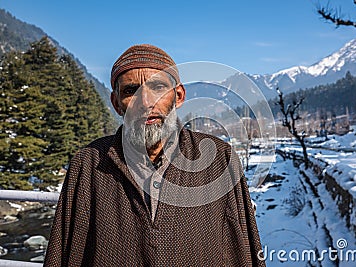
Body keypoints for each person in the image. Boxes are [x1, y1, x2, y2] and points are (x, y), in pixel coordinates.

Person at [44, 44, 265, 266]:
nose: (146, 102)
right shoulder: (89, 163)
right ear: (116, 103)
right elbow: (63, 253)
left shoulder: (219, 159)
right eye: (131, 91)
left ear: (178, 96)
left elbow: (243, 248)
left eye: (158, 88)